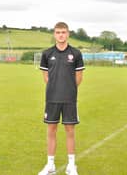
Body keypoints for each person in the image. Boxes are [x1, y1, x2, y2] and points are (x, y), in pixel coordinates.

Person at [38, 22, 85, 175]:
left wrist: (68, 88)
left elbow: (79, 77)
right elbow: (46, 77)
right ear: (54, 34)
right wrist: (56, 87)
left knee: (70, 131)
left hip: (69, 99)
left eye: (63, 32)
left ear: (68, 34)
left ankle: (71, 165)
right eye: (58, 32)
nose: (61, 35)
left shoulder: (76, 53)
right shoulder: (47, 54)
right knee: (51, 131)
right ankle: (50, 165)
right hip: (51, 99)